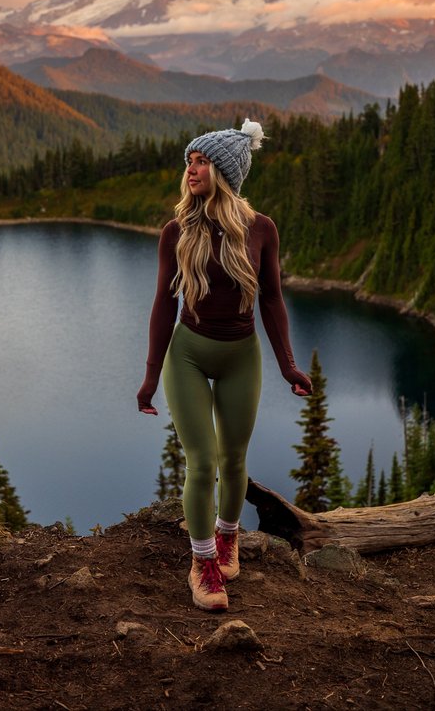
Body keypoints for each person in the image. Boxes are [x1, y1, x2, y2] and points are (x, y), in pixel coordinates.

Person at [137, 118, 312, 612]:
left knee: (235, 460)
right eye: (189, 161)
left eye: (202, 161)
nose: (191, 169)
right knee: (202, 461)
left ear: (226, 171)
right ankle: (203, 563)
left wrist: (288, 366)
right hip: (188, 354)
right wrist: (151, 376)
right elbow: (162, 305)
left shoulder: (261, 230)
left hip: (242, 355)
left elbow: (273, 301)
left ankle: (228, 538)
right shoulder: (177, 231)